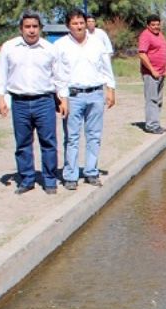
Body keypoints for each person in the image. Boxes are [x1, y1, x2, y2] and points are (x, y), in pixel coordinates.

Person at [0, 11, 67, 195]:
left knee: (48, 142)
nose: (31, 31)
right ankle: (27, 178)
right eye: (27, 27)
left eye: (35, 27)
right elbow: (1, 73)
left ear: (40, 29)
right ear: (21, 29)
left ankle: (50, 179)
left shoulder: (50, 49)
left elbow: (59, 76)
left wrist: (63, 98)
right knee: (22, 143)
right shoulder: (10, 48)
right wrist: (0, 98)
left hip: (44, 101)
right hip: (19, 102)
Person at [55, 9, 115, 190]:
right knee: (72, 137)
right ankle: (71, 175)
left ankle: (91, 171)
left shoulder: (97, 43)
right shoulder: (60, 45)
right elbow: (59, 75)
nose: (79, 26)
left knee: (94, 136)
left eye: (81, 22)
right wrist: (62, 98)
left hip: (96, 94)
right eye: (75, 23)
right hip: (73, 96)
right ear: (68, 26)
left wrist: (111, 89)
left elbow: (106, 68)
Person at [137, 14, 166, 134]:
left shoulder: (160, 35)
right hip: (151, 74)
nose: (156, 27)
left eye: (158, 24)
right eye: (153, 25)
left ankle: (156, 123)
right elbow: (142, 54)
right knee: (152, 99)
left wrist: (164, 70)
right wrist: (152, 70)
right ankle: (151, 126)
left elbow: (163, 51)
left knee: (158, 100)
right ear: (148, 25)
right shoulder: (145, 35)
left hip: (161, 73)